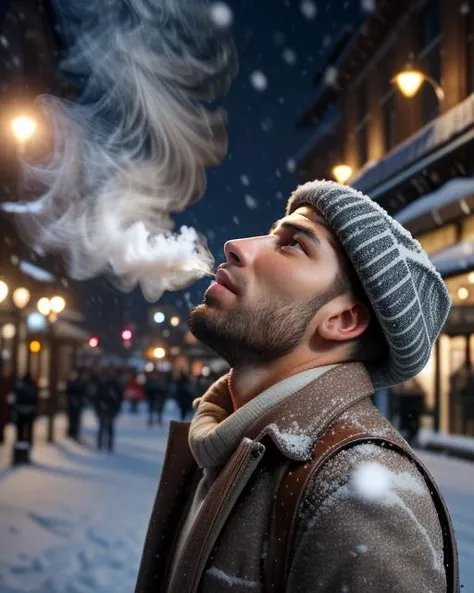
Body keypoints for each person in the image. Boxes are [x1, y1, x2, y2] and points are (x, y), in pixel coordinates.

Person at [135, 180, 457, 593]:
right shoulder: (220, 441)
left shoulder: (360, 497)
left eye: (293, 245)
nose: (236, 245)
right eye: (273, 235)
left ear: (342, 321)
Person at [93, 368, 123, 452]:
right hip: (102, 408)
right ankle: (100, 444)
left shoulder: (115, 385)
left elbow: (119, 398)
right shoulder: (100, 385)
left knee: (109, 426)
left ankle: (109, 445)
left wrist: (116, 408)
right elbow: (96, 398)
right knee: (102, 426)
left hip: (111, 409)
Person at [65, 368, 87, 441]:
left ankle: (74, 433)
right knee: (72, 419)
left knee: (76, 419)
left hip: (76, 405)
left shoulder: (80, 383)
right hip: (72, 405)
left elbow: (83, 394)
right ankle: (71, 432)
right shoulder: (71, 383)